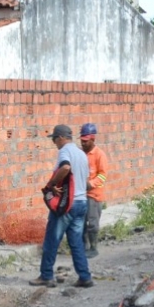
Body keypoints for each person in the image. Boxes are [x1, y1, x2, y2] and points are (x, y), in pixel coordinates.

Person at [30, 124, 93, 289]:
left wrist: (51, 184)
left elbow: (65, 167)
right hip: (81, 203)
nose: (54, 143)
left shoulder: (65, 151)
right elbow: (86, 182)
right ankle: (84, 277)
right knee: (76, 242)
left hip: (67, 205)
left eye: (54, 139)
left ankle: (46, 276)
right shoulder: (82, 154)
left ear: (61, 138)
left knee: (52, 240)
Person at [80, 123, 109, 258]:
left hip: (94, 195)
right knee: (81, 223)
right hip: (81, 195)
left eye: (86, 141)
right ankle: (84, 246)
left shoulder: (99, 155)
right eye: (82, 141)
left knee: (92, 223)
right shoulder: (81, 154)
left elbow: (103, 175)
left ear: (93, 139)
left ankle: (93, 247)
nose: (83, 143)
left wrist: (90, 184)